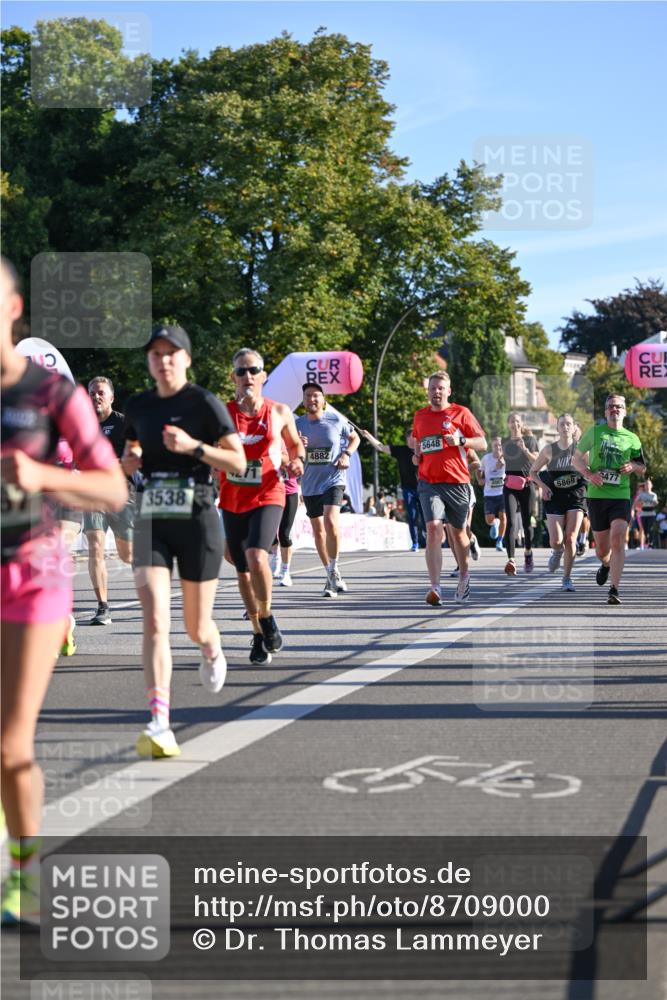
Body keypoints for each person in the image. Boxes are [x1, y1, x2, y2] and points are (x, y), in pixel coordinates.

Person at [1, 256, 127, 923]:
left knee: (9, 743)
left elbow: (111, 488)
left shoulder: (53, 395)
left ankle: (24, 873)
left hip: (32, 577)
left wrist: (42, 477)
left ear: (13, 310)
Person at [122, 325, 246, 758]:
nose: (163, 360)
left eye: (171, 353)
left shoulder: (203, 404)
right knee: (155, 619)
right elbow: (126, 458)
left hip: (196, 518)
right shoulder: (137, 406)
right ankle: (159, 721)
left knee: (195, 626)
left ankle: (212, 647)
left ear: (186, 359)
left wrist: (195, 447)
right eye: (155, 353)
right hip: (153, 517)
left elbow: (237, 459)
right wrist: (129, 461)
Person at [218, 348, 305, 663]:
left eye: (253, 370)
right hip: (231, 496)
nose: (247, 376)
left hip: (269, 492)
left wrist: (297, 461)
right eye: (241, 371)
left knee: (257, 556)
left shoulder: (279, 411)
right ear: (233, 378)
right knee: (242, 570)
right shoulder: (222, 413)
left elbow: (295, 444)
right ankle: (257, 633)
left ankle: (266, 616)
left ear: (263, 376)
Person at [412, 371, 487, 605]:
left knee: (458, 533)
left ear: (448, 391)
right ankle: (435, 587)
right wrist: (417, 456)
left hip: (457, 482)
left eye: (440, 388)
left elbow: (482, 442)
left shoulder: (460, 413)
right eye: (433, 388)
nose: (436, 392)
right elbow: (419, 443)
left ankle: (464, 575)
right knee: (434, 528)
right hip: (428, 482)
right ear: (428, 391)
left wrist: (462, 441)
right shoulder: (420, 416)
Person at [573, 393, 646, 605]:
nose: (615, 409)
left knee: (618, 539)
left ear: (625, 411)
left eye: (619, 406)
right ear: (606, 412)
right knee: (602, 549)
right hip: (597, 497)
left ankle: (614, 589)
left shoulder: (632, 438)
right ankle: (605, 564)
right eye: (611, 407)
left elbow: (643, 468)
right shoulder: (595, 433)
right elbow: (576, 459)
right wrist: (589, 474)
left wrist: (633, 466)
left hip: (620, 496)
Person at [295, 384, 360, 598]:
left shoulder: (335, 419)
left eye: (316, 395)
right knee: (318, 531)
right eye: (308, 396)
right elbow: (287, 450)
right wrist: (297, 446)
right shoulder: (297, 424)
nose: (312, 399)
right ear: (303, 400)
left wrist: (346, 455)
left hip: (334, 479)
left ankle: (332, 573)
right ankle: (332, 573)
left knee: (331, 521)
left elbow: (355, 438)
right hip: (310, 483)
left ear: (323, 400)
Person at [83, 376, 136, 625]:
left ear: (111, 398)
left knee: (128, 554)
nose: (96, 396)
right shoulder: (82, 425)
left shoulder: (124, 423)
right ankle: (103, 606)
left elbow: (133, 459)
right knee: (95, 546)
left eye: (101, 392)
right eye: (92, 392)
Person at [530, 413, 586, 592]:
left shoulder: (582, 450)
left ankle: (567, 578)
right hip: (554, 496)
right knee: (557, 540)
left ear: (574, 427)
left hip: (576, 496)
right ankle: (556, 551)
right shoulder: (549, 450)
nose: (565, 427)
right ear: (557, 428)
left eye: (569, 424)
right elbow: (533, 472)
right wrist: (543, 487)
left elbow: (591, 470)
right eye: (562, 424)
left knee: (570, 539)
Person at [360, 427, 426, 550]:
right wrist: (368, 436)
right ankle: (415, 542)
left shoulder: (423, 449)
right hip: (408, 489)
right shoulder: (400, 450)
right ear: (407, 438)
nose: (415, 439)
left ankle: (428, 536)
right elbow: (381, 447)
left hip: (423, 488)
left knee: (426, 515)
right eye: (413, 436)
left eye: (417, 436)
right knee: (412, 516)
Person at [501, 413, 539, 575]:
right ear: (508, 424)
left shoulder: (530, 440)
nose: (514, 424)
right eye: (512, 421)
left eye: (517, 421)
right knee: (510, 522)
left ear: (521, 424)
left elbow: (536, 461)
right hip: (509, 484)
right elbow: (504, 460)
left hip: (526, 485)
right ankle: (511, 560)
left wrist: (524, 449)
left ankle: (528, 553)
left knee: (526, 522)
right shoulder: (505, 441)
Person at [269, 448, 300, 588]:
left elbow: (299, 460)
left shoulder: (293, 443)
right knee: (269, 532)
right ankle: (275, 555)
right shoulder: (267, 438)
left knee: (284, 533)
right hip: (271, 492)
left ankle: (285, 571)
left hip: (289, 493)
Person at [476, 436, 506, 551]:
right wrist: (480, 480)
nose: (498, 448)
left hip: (503, 492)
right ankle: (494, 523)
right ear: (491, 447)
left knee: (504, 516)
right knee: (489, 520)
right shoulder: (486, 458)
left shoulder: (507, 458)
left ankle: (499, 541)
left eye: (500, 445)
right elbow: (479, 471)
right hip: (489, 494)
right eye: (495, 446)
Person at [632, 478, 659, 549]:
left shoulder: (654, 495)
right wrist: (639, 503)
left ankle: (650, 543)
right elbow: (635, 502)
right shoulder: (642, 494)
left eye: (649, 484)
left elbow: (656, 503)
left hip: (651, 513)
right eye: (646, 484)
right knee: (644, 529)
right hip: (643, 513)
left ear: (651, 486)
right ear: (644, 486)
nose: (647, 485)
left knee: (650, 529)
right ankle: (644, 544)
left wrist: (655, 502)